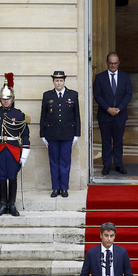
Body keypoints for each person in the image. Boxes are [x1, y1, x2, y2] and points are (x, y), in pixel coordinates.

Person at [0, 76, 29, 220]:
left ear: (12, 98)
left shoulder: (19, 114)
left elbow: (25, 135)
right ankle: (2, 204)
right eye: (3, 99)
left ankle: (12, 205)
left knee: (12, 176)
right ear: (0, 99)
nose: (6, 101)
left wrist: (24, 154)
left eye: (8, 98)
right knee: (2, 177)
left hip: (13, 149)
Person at [39, 70, 80, 199]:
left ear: (64, 81)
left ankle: (64, 188)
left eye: (61, 80)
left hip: (68, 134)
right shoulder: (47, 96)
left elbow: (76, 116)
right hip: (52, 134)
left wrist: (77, 134)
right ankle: (55, 188)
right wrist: (42, 134)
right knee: (54, 162)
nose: (59, 83)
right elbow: (43, 116)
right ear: (53, 82)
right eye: (56, 80)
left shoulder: (72, 95)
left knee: (65, 162)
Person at [93, 52, 132, 175]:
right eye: (111, 63)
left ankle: (119, 164)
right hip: (105, 115)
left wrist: (119, 108)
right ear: (107, 63)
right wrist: (108, 108)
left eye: (115, 63)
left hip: (120, 115)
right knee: (106, 141)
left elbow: (128, 94)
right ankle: (107, 165)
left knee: (118, 141)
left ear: (118, 63)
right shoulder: (100, 77)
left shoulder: (125, 77)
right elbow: (97, 95)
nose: (113, 65)